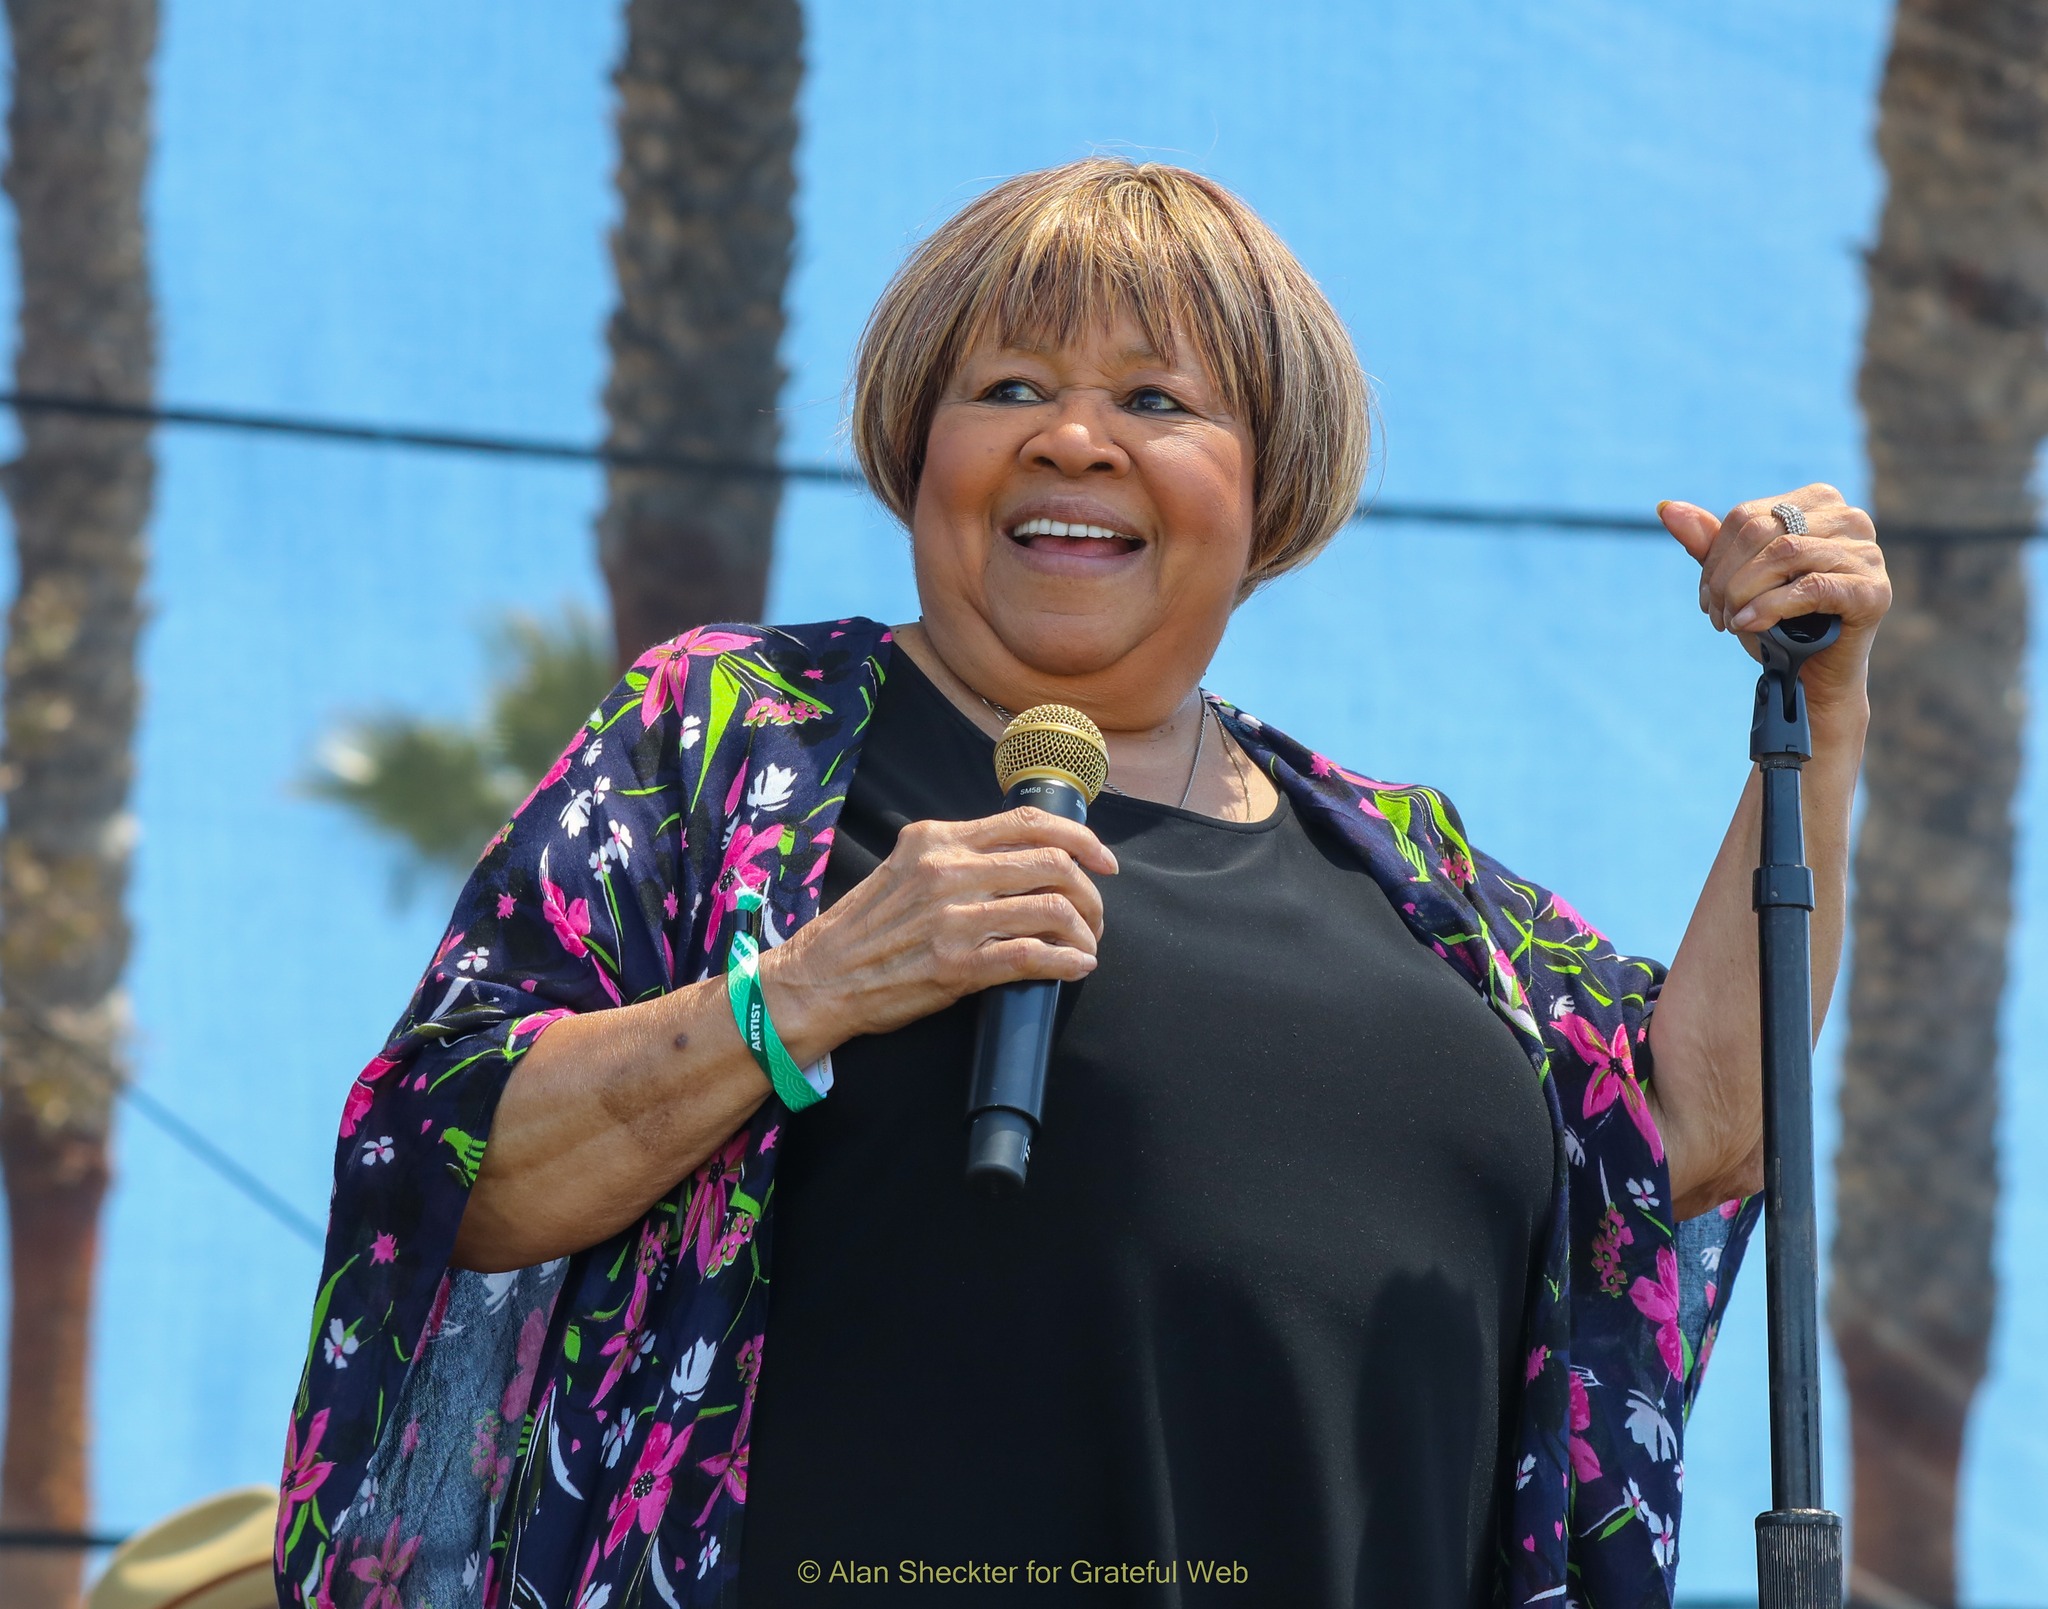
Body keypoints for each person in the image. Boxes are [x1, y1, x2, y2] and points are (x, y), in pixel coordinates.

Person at [276, 159, 1889, 1609]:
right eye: (1010, 385)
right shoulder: (737, 743)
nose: (1073, 434)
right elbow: (445, 1164)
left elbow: (1705, 1123)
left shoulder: (1409, 874)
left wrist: (1818, 713)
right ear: (923, 458)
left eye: (1157, 399)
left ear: (1267, 488)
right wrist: (806, 993)